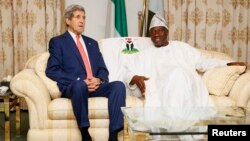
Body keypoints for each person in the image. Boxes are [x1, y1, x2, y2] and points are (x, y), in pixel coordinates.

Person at [123, 14, 246, 109]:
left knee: (178, 73)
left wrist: (226, 64)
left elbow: (204, 62)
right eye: (153, 31)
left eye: (160, 30)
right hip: (161, 88)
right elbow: (128, 72)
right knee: (175, 77)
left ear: (166, 32)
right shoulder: (145, 54)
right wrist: (135, 77)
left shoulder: (181, 47)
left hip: (185, 83)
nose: (156, 34)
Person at [45, 4, 125, 141]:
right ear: (68, 21)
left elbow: (102, 69)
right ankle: (84, 132)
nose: (82, 21)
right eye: (78, 17)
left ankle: (114, 134)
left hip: (95, 86)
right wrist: (79, 80)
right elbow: (52, 70)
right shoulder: (58, 42)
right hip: (75, 86)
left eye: (84, 18)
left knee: (119, 86)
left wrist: (98, 79)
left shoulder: (92, 43)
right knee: (80, 85)